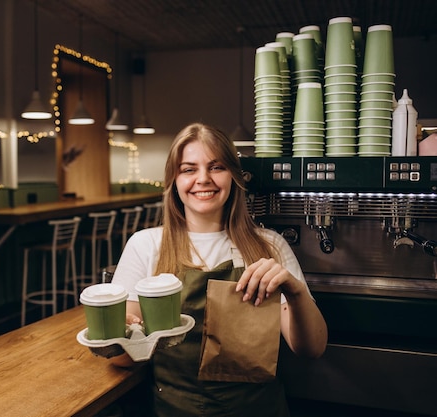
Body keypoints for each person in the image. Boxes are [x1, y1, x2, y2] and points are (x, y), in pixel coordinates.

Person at [110, 122, 327, 416]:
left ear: (234, 177)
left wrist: (295, 290)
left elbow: (311, 349)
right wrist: (117, 334)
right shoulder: (146, 245)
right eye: (189, 169)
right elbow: (126, 358)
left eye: (216, 167)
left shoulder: (269, 246)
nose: (203, 179)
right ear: (173, 180)